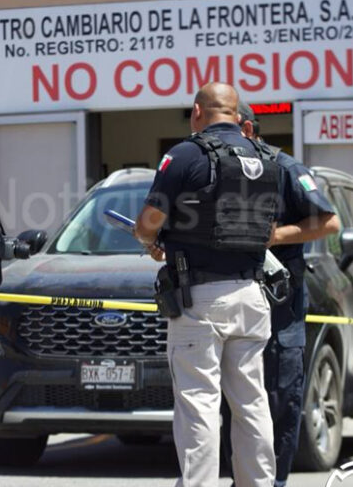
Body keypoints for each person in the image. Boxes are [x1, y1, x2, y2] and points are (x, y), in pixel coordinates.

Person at [134, 82, 280, 487]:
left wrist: (150, 241)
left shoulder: (185, 155)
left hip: (200, 300)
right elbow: (267, 232)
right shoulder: (268, 159)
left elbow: (149, 222)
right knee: (252, 403)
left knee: (199, 404)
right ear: (236, 114)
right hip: (252, 295)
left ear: (197, 111)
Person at [232, 101, 339, 487]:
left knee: (280, 393)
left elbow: (329, 222)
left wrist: (276, 236)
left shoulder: (285, 168)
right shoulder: (220, 171)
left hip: (280, 304)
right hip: (231, 301)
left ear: (246, 129)